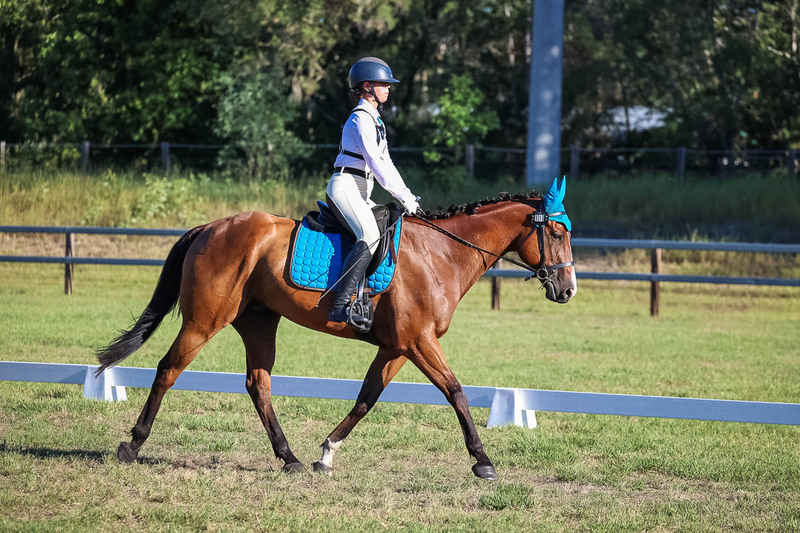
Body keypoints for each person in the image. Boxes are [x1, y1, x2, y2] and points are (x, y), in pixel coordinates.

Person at [326, 56, 422, 328]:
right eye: (383, 84)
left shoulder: (375, 120)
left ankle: (366, 291)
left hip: (360, 189)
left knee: (384, 223)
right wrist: (403, 197)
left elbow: (387, 163)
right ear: (367, 86)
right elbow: (377, 165)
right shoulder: (360, 119)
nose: (388, 88)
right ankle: (341, 304)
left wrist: (408, 196)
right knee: (368, 234)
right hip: (345, 186)